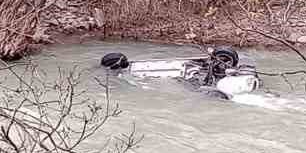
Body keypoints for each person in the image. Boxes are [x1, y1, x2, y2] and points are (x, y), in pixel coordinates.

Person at [99, 46, 259, 96]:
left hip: (199, 79)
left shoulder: (126, 74)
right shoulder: (130, 69)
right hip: (199, 74)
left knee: (194, 86)